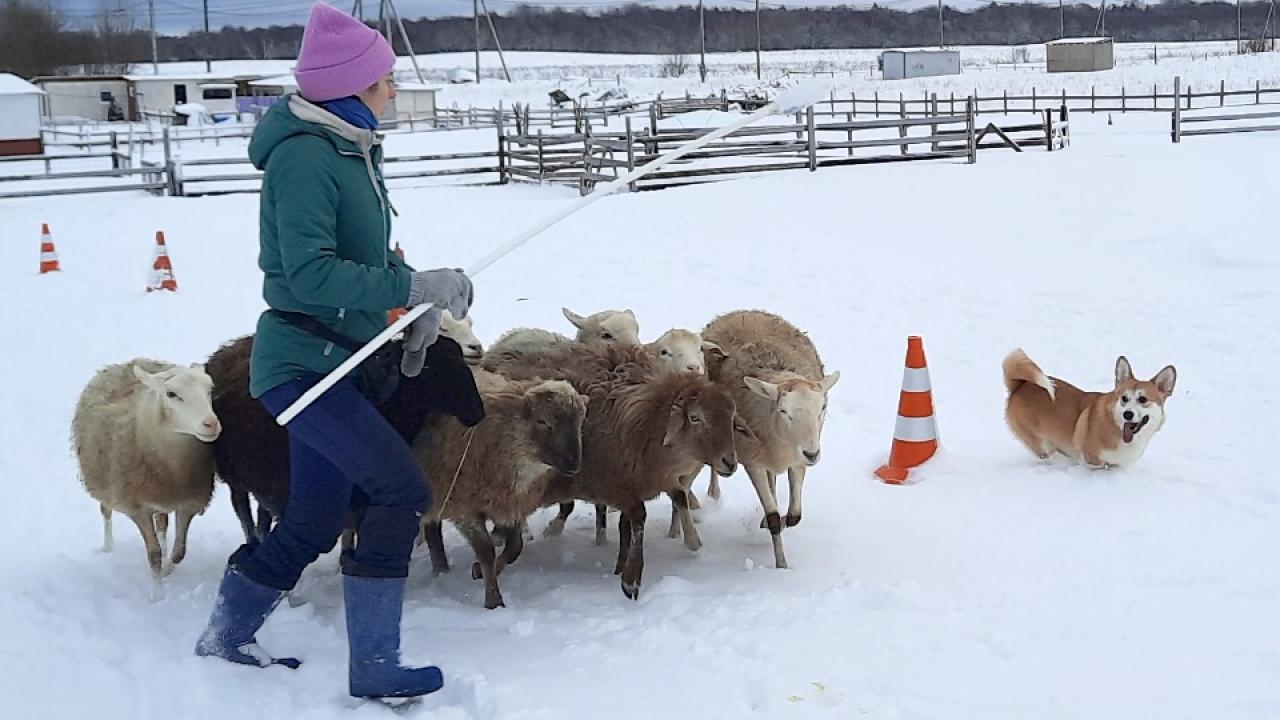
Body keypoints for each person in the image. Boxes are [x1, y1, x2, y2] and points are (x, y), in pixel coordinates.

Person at [193, 2, 473, 702]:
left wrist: (407, 311)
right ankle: (375, 666)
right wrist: (409, 283)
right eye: (384, 81)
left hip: (343, 362)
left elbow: (363, 262)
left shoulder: (352, 149)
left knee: (316, 517)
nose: (393, 91)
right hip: (301, 367)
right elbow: (310, 272)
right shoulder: (305, 159)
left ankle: (226, 635)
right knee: (400, 489)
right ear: (349, 87)